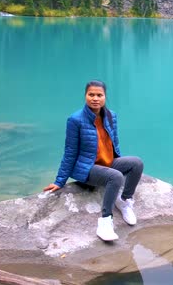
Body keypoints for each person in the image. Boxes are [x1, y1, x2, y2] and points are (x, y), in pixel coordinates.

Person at [44, 80, 144, 242]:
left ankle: (124, 200)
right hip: (86, 168)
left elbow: (114, 143)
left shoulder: (111, 116)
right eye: (91, 95)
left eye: (99, 95)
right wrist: (59, 181)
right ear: (85, 96)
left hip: (107, 163)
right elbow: (70, 151)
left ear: (105, 97)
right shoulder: (75, 120)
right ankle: (105, 221)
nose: (95, 98)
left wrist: (118, 164)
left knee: (136, 163)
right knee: (116, 177)